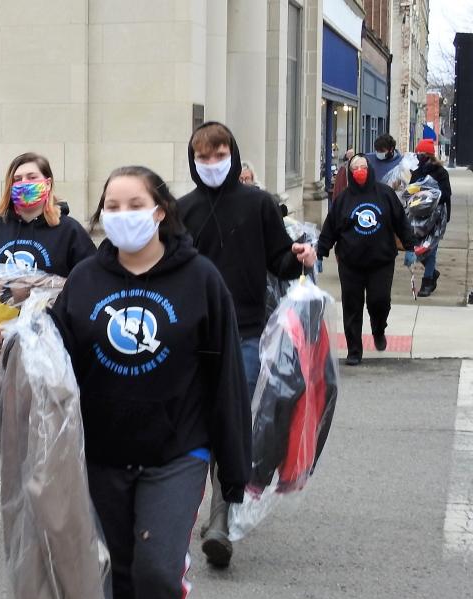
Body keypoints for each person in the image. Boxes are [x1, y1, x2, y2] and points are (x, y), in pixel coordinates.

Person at [49, 166, 251, 599]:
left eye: (134, 202)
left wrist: (233, 473)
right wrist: (8, 337)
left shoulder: (200, 279)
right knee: (125, 567)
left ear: (159, 210)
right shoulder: (85, 280)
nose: (122, 213)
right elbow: (55, 365)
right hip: (105, 453)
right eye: (111, 204)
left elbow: (225, 380)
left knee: (161, 567)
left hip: (178, 451)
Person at [178, 121, 316, 569]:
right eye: (204, 157)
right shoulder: (184, 211)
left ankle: (220, 514)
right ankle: (214, 507)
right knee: (200, 424)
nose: (212, 164)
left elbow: (278, 259)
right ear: (193, 161)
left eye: (220, 155)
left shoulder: (258, 205)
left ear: (232, 155)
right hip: (194, 337)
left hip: (245, 333)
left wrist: (299, 257)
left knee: (231, 419)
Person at [0, 152, 96, 450]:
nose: (23, 184)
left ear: (47, 183)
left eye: (31, 177)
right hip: (0, 348)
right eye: (17, 179)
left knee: (45, 429)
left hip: (49, 350)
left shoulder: (69, 232)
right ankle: (20, 481)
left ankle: (35, 489)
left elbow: (90, 286)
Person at [316, 154, 415, 366]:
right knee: (352, 306)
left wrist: (410, 247)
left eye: (363, 166)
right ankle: (354, 350)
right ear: (351, 173)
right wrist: (321, 252)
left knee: (379, 301)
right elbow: (330, 227)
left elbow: (401, 221)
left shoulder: (385, 194)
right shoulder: (344, 198)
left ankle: (379, 329)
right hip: (350, 263)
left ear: (369, 169)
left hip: (381, 261)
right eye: (355, 168)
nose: (360, 171)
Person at [410, 138, 452, 297]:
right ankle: (432, 272)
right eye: (417, 153)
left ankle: (427, 283)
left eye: (421, 153)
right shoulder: (417, 172)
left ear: (428, 154)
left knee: (431, 248)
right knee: (417, 249)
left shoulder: (441, 172)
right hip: (418, 216)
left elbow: (446, 194)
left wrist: (429, 197)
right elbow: (411, 191)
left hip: (436, 216)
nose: (418, 155)